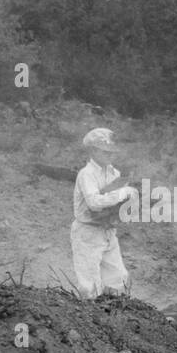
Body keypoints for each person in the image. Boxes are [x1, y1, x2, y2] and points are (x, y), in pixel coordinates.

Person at [71, 128, 136, 299]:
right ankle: (89, 319)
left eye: (112, 151)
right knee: (90, 285)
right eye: (105, 151)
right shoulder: (87, 174)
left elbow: (117, 204)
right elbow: (93, 202)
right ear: (93, 151)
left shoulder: (115, 174)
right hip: (88, 232)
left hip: (107, 230)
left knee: (118, 278)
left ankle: (111, 317)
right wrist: (121, 193)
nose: (110, 155)